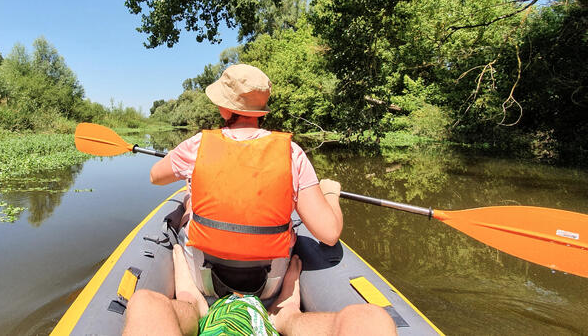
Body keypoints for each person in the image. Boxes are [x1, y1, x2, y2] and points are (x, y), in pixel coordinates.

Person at [149, 64, 343, 299]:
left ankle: (190, 290)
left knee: (189, 203)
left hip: (204, 279)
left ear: (224, 108)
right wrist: (330, 193)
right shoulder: (292, 153)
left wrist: (177, 158)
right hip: (269, 283)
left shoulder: (197, 145)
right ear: (261, 110)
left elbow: (155, 177)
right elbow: (330, 234)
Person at [122, 245, 397, 336]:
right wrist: (179, 255)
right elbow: (188, 298)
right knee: (144, 301)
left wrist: (292, 277)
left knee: (371, 318)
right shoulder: (205, 311)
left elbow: (288, 314)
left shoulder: (271, 317)